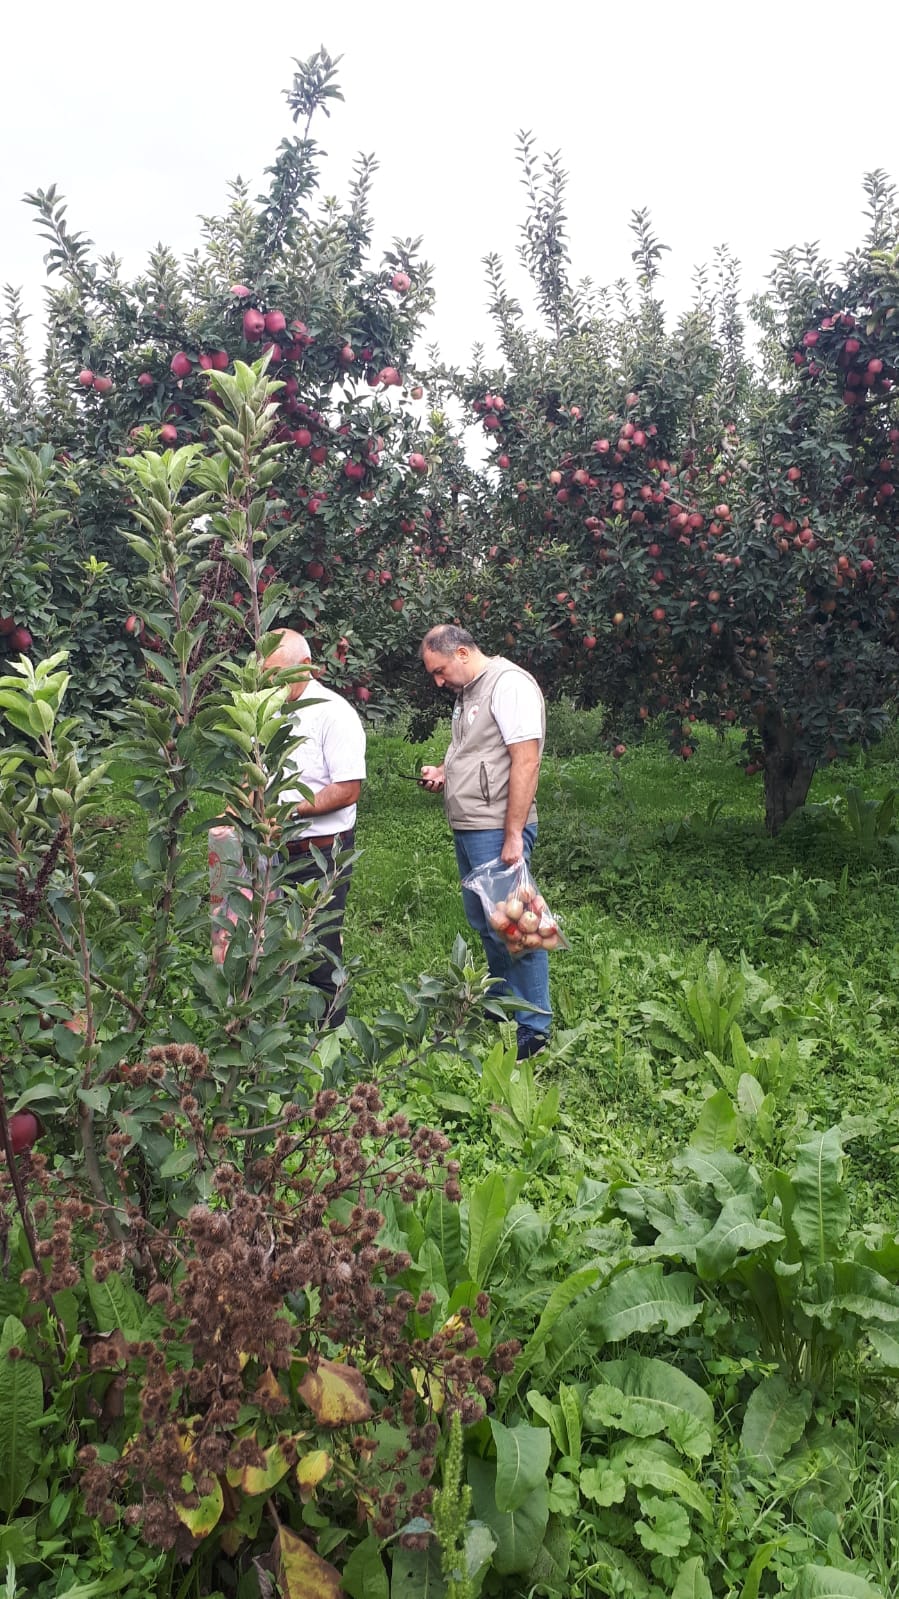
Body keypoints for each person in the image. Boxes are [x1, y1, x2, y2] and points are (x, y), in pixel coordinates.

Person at [418, 623, 551, 1059]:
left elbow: (525, 762)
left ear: (460, 652)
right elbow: (478, 753)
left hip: (497, 827)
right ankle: (501, 1003)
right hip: (472, 825)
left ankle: (535, 1027)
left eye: (439, 671)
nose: (437, 682)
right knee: (487, 923)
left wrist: (513, 835)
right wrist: (445, 770)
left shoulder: (508, 685)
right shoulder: (468, 693)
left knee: (518, 927)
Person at [266, 628, 366, 1024]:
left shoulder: (334, 712)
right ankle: (286, 1021)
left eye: (277, 674)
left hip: (322, 852)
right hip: (275, 849)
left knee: (320, 941)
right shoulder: (271, 711)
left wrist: (288, 811)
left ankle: (327, 1036)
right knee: (278, 937)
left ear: (305, 667)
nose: (270, 683)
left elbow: (346, 789)